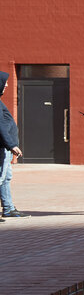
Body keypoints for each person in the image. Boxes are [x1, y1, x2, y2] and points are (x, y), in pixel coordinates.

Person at [0, 71, 28, 220]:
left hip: (5, 148)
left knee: (5, 178)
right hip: (3, 148)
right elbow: (1, 126)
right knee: (1, 177)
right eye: (4, 82)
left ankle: (8, 208)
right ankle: (8, 208)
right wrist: (11, 144)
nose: (7, 85)